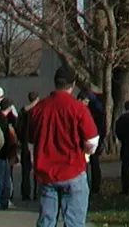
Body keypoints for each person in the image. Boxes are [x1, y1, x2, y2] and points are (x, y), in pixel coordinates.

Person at [26, 66, 98, 227]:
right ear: (72, 85)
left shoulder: (38, 109)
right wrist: (85, 153)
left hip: (46, 173)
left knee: (46, 221)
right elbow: (92, 141)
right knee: (74, 222)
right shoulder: (78, 108)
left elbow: (31, 142)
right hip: (73, 170)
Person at [77, 84, 106, 197]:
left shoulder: (89, 105)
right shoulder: (98, 105)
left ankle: (88, 186)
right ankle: (95, 186)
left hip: (86, 138)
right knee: (94, 163)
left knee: (84, 164)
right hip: (95, 137)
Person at [0, 98, 20, 209]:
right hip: (4, 152)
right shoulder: (5, 120)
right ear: (9, 108)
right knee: (4, 179)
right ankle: (3, 200)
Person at [20, 93, 39, 203]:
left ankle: (25, 193)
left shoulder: (24, 112)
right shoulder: (38, 111)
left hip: (26, 143)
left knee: (25, 171)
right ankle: (36, 193)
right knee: (37, 169)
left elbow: (19, 126)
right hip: (36, 142)